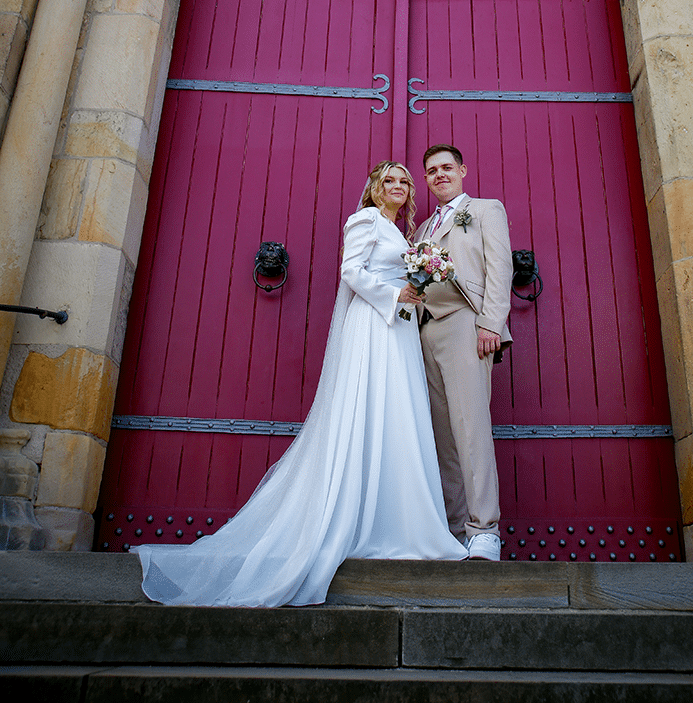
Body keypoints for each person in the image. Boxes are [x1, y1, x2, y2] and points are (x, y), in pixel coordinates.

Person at [134, 161, 467, 607]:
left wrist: (415, 286)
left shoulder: (399, 233)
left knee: (397, 414)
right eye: (390, 180)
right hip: (374, 325)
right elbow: (351, 272)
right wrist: (395, 294)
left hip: (400, 327)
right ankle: (355, 517)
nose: (399, 186)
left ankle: (402, 519)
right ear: (374, 188)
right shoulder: (365, 220)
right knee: (370, 407)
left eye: (405, 181)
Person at [416, 144, 513, 561]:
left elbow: (500, 265)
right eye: (432, 170)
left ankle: (484, 529)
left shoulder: (486, 210)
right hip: (424, 333)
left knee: (471, 427)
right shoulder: (420, 230)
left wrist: (491, 321)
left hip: (466, 323)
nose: (440, 174)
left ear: (462, 171)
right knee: (443, 437)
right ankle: (456, 533)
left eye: (446, 167)